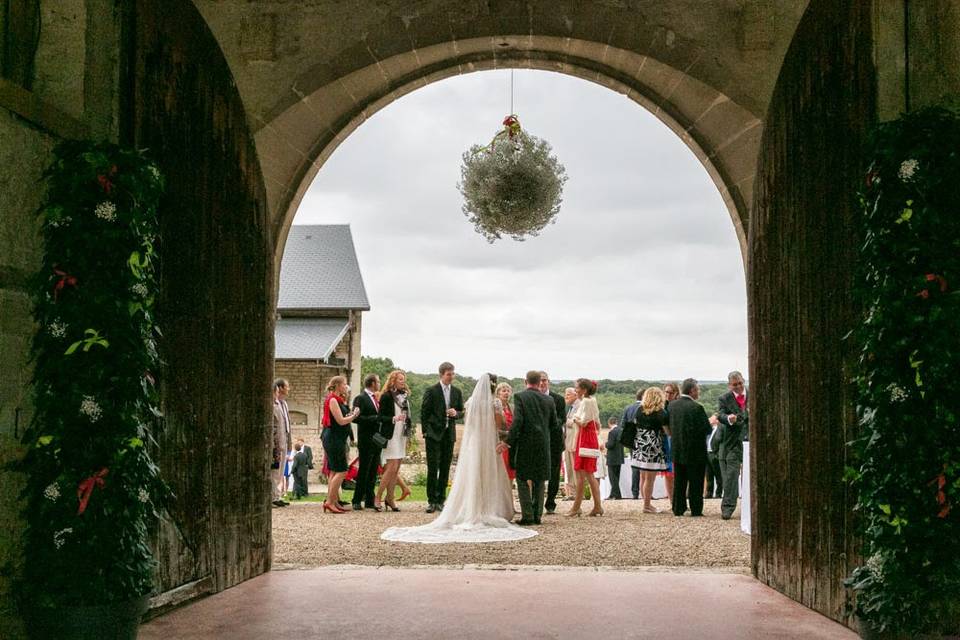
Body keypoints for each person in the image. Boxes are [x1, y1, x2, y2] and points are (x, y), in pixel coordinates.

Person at [381, 374, 536, 543]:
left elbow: (469, 423)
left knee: (471, 476)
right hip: (489, 444)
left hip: (473, 445)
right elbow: (501, 426)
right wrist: (508, 433)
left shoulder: (471, 402)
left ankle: (468, 508)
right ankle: (493, 509)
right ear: (493, 386)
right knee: (490, 474)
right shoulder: (495, 403)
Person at [502, 371, 556, 525]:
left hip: (525, 443)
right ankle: (537, 515)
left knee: (522, 478)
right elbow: (554, 424)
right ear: (540, 382)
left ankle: (527, 515)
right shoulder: (549, 400)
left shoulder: (520, 397)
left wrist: (507, 441)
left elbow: (518, 421)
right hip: (543, 443)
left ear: (526, 381)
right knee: (539, 479)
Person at [420, 362, 464, 513]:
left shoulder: (457, 392)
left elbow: (461, 411)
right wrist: (425, 432)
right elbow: (424, 412)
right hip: (433, 434)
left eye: (453, 374)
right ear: (441, 374)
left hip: (448, 434)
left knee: (445, 468)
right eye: (449, 374)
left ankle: (441, 500)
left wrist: (456, 413)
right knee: (433, 468)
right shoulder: (432, 390)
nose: (451, 376)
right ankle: (431, 501)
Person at [668, 378, 711, 517]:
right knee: (696, 482)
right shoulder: (697, 408)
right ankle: (696, 509)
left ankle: (678, 508)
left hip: (677, 449)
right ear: (692, 390)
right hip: (695, 451)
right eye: (697, 389)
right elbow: (707, 429)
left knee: (679, 481)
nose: (698, 392)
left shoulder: (672, 406)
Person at [321, 375, 360, 514]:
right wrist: (354, 415)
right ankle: (330, 502)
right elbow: (341, 421)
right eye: (344, 384)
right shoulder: (332, 400)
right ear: (337, 385)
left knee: (333, 470)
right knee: (342, 470)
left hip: (336, 438)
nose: (346, 386)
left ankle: (333, 500)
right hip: (333, 438)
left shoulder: (338, 399)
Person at [630, 387, 670, 513]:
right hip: (652, 445)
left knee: (643, 476)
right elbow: (667, 432)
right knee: (650, 478)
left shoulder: (639, 410)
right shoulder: (661, 413)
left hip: (640, 443)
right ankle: (647, 505)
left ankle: (645, 502)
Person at [376, 370, 412, 512]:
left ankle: (390, 498)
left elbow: (407, 417)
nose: (403, 381)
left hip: (401, 435)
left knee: (396, 469)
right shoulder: (386, 396)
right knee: (390, 468)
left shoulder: (404, 397)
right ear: (393, 381)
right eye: (400, 379)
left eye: (404, 379)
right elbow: (380, 417)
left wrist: (408, 435)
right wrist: (393, 419)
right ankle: (377, 497)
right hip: (391, 435)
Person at [568, 378, 603, 517]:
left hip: (585, 439)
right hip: (588, 438)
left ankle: (578, 507)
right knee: (588, 474)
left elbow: (583, 422)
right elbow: (598, 424)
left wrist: (573, 419)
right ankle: (596, 506)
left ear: (584, 389)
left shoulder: (586, 402)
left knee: (584, 474)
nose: (576, 390)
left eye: (577, 387)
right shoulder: (591, 401)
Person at [717, 371, 749, 519]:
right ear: (730, 385)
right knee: (731, 476)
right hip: (732, 443)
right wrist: (729, 418)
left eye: (740, 383)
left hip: (751, 441)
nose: (738, 387)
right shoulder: (724, 398)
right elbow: (720, 415)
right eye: (735, 385)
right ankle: (728, 508)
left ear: (743, 381)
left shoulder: (753, 394)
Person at [352, 373, 382, 511]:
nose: (380, 384)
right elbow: (355, 418)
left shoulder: (376, 399)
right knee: (364, 469)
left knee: (374, 470)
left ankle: (369, 499)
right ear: (372, 383)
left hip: (377, 439)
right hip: (366, 439)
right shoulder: (360, 398)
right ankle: (357, 499)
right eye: (378, 381)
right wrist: (374, 418)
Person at [539, 372, 566, 514]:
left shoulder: (559, 399)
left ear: (548, 381)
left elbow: (562, 418)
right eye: (540, 381)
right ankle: (536, 501)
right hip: (538, 441)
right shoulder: (533, 398)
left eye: (544, 380)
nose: (542, 383)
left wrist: (549, 426)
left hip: (554, 440)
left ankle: (550, 502)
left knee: (554, 473)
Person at [621, 388, 645, 499]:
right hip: (644, 439)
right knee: (646, 467)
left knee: (635, 466)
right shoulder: (646, 408)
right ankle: (646, 492)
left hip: (632, 441)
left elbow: (623, 424)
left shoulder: (628, 408)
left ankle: (635, 492)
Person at [271, 378, 291, 507]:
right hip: (277, 442)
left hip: (284, 440)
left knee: (280, 471)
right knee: (274, 471)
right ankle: (272, 497)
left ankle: (277, 495)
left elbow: (286, 424)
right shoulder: (274, 405)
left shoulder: (283, 404)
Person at [661, 381, 680, 502]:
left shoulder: (678, 405)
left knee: (679, 472)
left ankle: (679, 499)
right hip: (666, 440)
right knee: (668, 473)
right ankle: (672, 500)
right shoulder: (662, 406)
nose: (668, 394)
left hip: (677, 439)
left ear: (676, 393)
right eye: (666, 392)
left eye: (670, 392)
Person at [495, 381, 515, 480]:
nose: (506, 393)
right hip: (499, 441)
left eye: (508, 391)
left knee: (510, 470)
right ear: (498, 393)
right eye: (504, 391)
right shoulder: (494, 407)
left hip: (510, 442)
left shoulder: (511, 407)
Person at [562, 387, 579, 499]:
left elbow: (575, 423)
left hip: (574, 442)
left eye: (568, 394)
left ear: (575, 395)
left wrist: (563, 419)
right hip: (568, 441)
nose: (566, 397)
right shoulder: (571, 408)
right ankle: (573, 492)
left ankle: (577, 493)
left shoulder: (580, 406)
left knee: (575, 467)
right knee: (569, 468)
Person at [604, 417, 624, 499]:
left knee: (612, 477)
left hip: (612, 458)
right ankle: (613, 494)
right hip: (619, 457)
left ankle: (617, 495)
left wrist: (605, 444)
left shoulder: (612, 432)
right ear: (616, 422)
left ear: (609, 423)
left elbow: (610, 445)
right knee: (616, 476)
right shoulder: (621, 431)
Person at [704, 414, 723, 500]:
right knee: (709, 475)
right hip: (707, 454)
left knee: (718, 474)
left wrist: (717, 454)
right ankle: (709, 493)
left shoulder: (719, 429)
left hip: (714, 454)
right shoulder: (709, 430)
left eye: (712, 418)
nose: (710, 419)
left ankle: (718, 493)